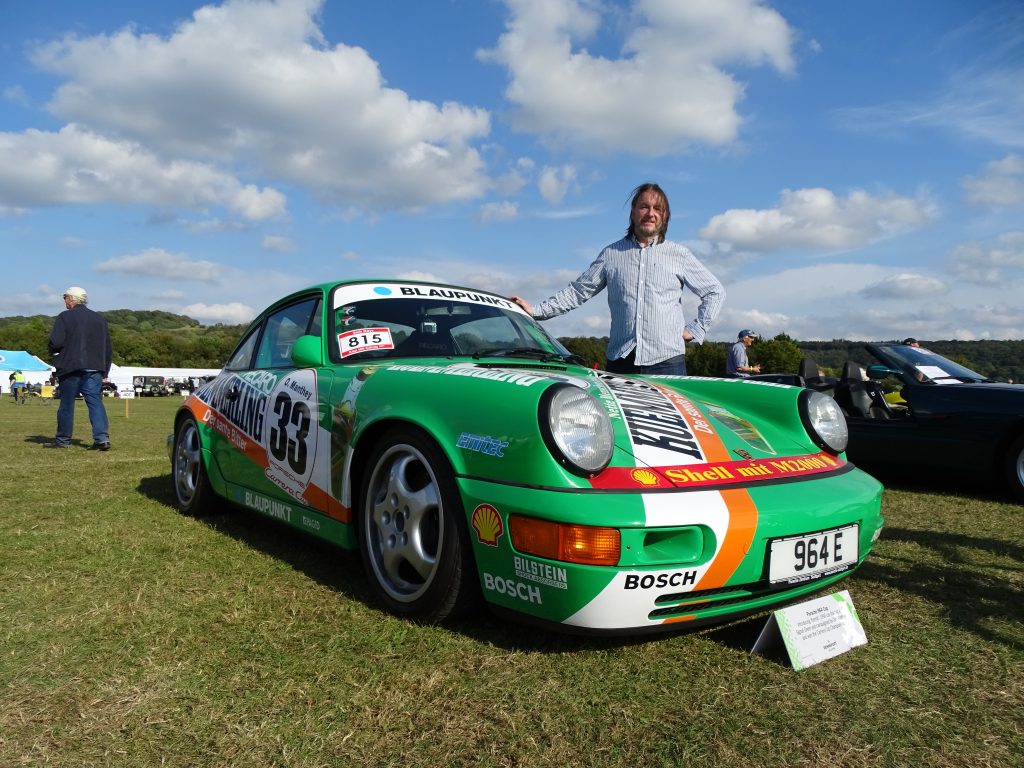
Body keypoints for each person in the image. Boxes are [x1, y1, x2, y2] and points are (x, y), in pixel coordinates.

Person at [510, 183, 724, 375]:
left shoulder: (680, 255)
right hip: (621, 363)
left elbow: (715, 291)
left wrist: (696, 329)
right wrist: (536, 311)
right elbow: (577, 292)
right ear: (633, 212)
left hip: (667, 363)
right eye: (644, 206)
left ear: (665, 216)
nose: (650, 213)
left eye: (657, 209)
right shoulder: (611, 254)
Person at [46, 286, 113, 450]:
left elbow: (56, 342)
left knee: (67, 404)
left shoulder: (65, 317)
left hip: (71, 366)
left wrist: (53, 351)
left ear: (71, 299)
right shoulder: (100, 319)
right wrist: (105, 370)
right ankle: (102, 439)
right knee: (95, 402)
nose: (64, 301)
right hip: (95, 367)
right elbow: (108, 347)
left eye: (65, 298)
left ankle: (63, 440)